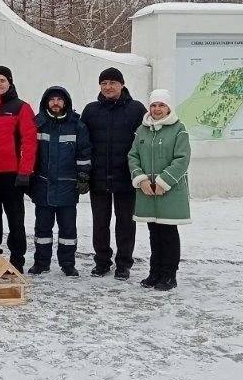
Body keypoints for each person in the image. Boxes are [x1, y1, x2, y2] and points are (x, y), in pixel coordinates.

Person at [80, 67, 147, 280]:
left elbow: (145, 142)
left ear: (122, 84)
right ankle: (102, 261)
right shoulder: (91, 110)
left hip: (126, 176)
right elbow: (83, 143)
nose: (108, 87)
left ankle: (124, 263)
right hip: (98, 176)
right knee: (100, 221)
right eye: (104, 83)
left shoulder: (136, 109)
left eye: (112, 83)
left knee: (126, 222)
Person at [0, 66, 38, 272]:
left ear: (10, 82)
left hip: (11, 174)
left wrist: (25, 171)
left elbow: (29, 141)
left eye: (3, 80)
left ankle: (17, 258)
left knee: (15, 219)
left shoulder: (21, 107)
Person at [127, 89, 191, 292]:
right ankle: (154, 272)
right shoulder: (142, 130)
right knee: (154, 232)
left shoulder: (179, 129)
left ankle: (169, 275)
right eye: (154, 105)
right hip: (147, 192)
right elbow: (133, 156)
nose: (157, 109)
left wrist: (163, 182)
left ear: (168, 107)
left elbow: (182, 159)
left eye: (161, 105)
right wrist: (141, 180)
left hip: (169, 192)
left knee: (168, 233)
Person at [28, 86, 92, 276]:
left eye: (59, 100)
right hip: (42, 186)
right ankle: (41, 263)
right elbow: (30, 153)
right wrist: (28, 177)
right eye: (52, 100)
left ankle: (67, 264)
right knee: (42, 229)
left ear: (66, 103)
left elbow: (85, 153)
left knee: (68, 231)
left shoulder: (77, 125)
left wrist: (83, 176)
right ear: (46, 103)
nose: (56, 103)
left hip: (68, 187)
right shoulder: (38, 124)